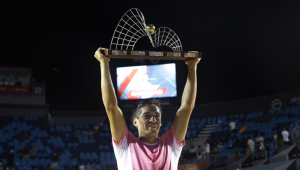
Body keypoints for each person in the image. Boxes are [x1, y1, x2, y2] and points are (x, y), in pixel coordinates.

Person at [94, 47, 200, 170]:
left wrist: (192, 66)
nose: (153, 119)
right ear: (135, 121)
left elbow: (187, 107)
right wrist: (104, 63)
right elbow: (111, 107)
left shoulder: (170, 143)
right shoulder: (126, 144)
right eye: (147, 116)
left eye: (156, 116)